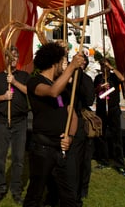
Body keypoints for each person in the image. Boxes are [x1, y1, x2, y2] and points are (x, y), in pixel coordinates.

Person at [23, 42, 85, 207]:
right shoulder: (34, 82)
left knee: (68, 196)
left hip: (61, 149)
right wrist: (71, 67)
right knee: (35, 194)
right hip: (42, 149)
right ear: (54, 62)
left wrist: (70, 137)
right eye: (62, 61)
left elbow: (73, 116)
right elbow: (52, 92)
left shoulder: (63, 87)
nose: (63, 65)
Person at [0, 46, 30, 205]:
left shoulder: (24, 76)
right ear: (6, 59)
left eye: (16, 57)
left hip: (20, 122)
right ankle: (0, 188)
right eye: (12, 57)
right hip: (3, 122)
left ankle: (16, 190)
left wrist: (14, 82)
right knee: (0, 158)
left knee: (18, 158)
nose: (14, 60)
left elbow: (29, 92)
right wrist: (3, 97)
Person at [94, 58, 125, 176]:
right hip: (101, 109)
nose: (104, 67)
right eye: (102, 65)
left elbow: (122, 79)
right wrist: (100, 88)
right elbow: (94, 91)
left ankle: (120, 164)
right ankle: (104, 160)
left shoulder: (114, 77)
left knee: (116, 136)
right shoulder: (98, 78)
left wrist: (112, 67)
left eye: (105, 65)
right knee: (101, 136)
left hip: (113, 109)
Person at [70, 55, 96, 205]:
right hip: (65, 120)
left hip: (80, 121)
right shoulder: (67, 75)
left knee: (84, 159)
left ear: (84, 63)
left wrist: (79, 78)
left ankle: (82, 188)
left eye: (81, 60)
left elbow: (89, 100)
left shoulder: (86, 79)